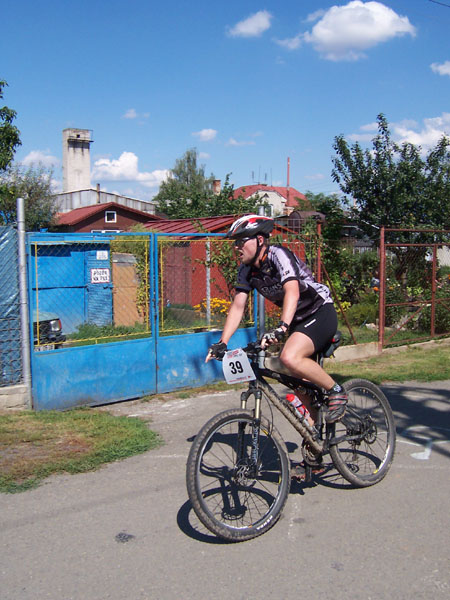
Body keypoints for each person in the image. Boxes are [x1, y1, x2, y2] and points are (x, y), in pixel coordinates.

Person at [206, 214, 348, 427]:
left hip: (319, 311)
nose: (236, 247)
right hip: (298, 321)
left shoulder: (278, 255)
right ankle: (314, 449)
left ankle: (336, 391)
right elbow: (238, 306)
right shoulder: (246, 271)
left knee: (289, 357)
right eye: (235, 243)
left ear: (259, 240)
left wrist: (282, 327)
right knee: (302, 387)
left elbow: (292, 290)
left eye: (241, 241)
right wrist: (222, 343)